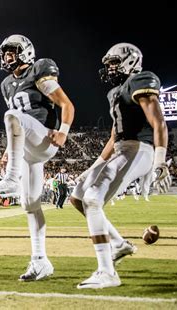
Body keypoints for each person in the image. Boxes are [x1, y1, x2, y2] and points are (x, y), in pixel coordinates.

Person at [70, 43, 171, 289]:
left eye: (114, 62)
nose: (110, 68)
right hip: (122, 148)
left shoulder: (141, 80)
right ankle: (119, 244)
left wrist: (159, 160)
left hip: (140, 149)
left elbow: (159, 122)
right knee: (78, 196)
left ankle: (107, 272)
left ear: (130, 61)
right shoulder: (116, 92)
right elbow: (116, 135)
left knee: (93, 198)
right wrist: (93, 166)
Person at [0, 34, 75, 281]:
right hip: (26, 147)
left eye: (11, 51)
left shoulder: (38, 70)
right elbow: (16, 124)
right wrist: (9, 148)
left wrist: (64, 132)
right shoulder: (5, 84)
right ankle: (40, 261)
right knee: (29, 204)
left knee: (11, 116)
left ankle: (11, 178)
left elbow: (67, 104)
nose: (6, 56)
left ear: (24, 51)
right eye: (4, 52)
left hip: (45, 137)